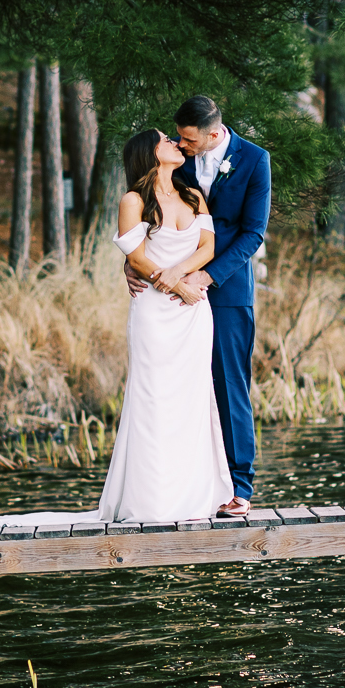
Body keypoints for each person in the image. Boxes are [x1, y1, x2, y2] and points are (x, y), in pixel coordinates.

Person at [125, 92, 271, 519]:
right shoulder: (174, 152)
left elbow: (253, 233)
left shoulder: (254, 160)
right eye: (178, 138)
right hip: (165, 289)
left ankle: (240, 486)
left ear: (212, 133)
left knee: (229, 385)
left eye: (189, 140)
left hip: (224, 287)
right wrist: (132, 264)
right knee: (175, 388)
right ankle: (184, 487)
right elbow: (146, 206)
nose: (181, 145)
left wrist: (205, 276)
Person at [98, 129, 231, 522]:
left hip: (192, 312)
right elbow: (136, 258)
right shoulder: (133, 200)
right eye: (165, 140)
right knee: (153, 401)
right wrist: (174, 283)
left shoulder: (193, 196)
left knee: (191, 400)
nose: (175, 142)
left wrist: (182, 278)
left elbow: (207, 248)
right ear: (149, 153)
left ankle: (192, 497)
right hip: (154, 313)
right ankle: (152, 502)